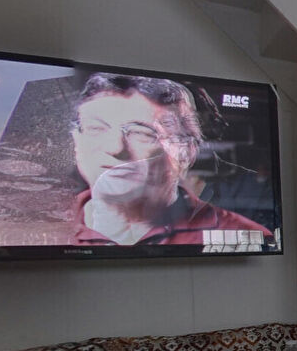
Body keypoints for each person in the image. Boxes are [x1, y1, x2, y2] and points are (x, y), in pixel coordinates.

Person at [69, 72, 271, 246]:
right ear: (77, 141)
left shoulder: (246, 237)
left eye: (141, 133)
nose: (114, 148)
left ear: (184, 153)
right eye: (96, 128)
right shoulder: (51, 221)